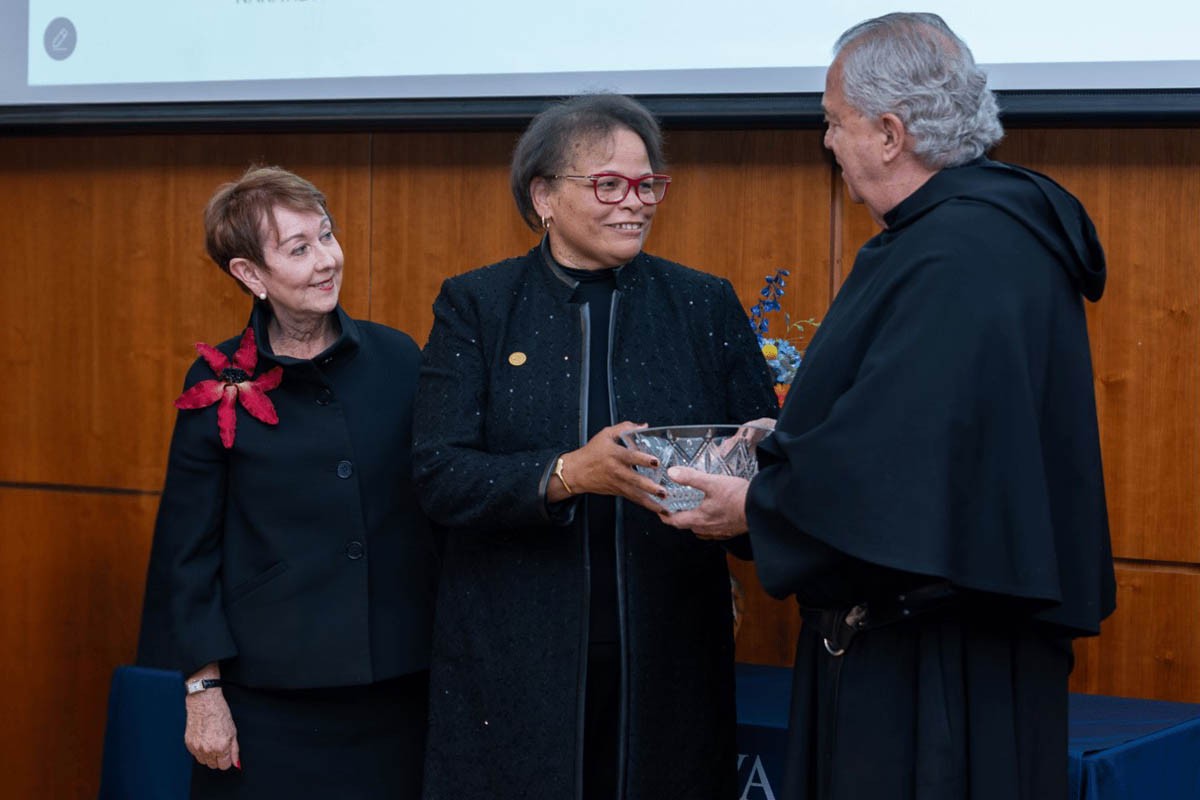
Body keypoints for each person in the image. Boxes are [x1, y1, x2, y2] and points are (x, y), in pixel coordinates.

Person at [662, 13, 1115, 800]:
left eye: (834, 122)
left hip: (928, 670)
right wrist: (794, 436)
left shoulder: (954, 250)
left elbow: (896, 477)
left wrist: (758, 504)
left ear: (890, 132)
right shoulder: (985, 235)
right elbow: (932, 433)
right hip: (953, 649)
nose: (829, 141)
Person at [412, 93, 778, 800]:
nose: (634, 202)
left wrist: (754, 476)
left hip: (670, 656)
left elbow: (767, 466)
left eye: (648, 184)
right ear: (543, 196)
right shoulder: (479, 306)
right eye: (608, 184)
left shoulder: (703, 304)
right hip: (514, 663)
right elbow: (438, 474)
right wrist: (567, 474)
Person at [136, 166, 437, 799]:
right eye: (299, 249)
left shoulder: (398, 357)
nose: (327, 260)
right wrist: (202, 690)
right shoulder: (217, 379)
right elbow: (185, 550)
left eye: (327, 236)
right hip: (266, 699)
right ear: (250, 274)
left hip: (397, 689)